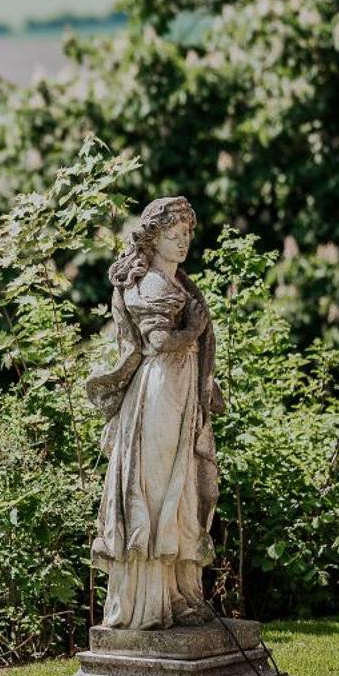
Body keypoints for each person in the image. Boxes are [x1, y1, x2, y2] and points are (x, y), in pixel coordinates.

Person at [83, 195, 226, 629]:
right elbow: (160, 342)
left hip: (179, 391)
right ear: (153, 237)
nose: (183, 242)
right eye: (174, 234)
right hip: (160, 393)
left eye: (187, 235)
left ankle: (180, 594)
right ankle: (149, 602)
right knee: (158, 489)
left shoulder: (176, 281)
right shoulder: (148, 284)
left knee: (180, 488)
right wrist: (194, 329)